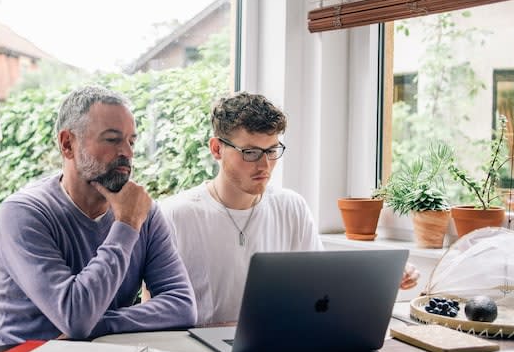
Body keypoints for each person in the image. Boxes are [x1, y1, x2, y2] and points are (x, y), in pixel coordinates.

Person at [160, 91, 419, 325]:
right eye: (250, 152)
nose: (264, 165)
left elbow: (320, 294)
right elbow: (158, 314)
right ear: (217, 149)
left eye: (272, 150)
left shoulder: (290, 206)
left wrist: (382, 284)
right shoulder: (175, 215)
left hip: (279, 347)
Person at [0, 86, 196, 345]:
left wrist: (103, 324)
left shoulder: (144, 213)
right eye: (112, 139)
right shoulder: (24, 213)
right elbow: (76, 318)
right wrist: (126, 225)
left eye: (131, 141)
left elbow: (182, 306)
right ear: (67, 145)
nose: (128, 153)